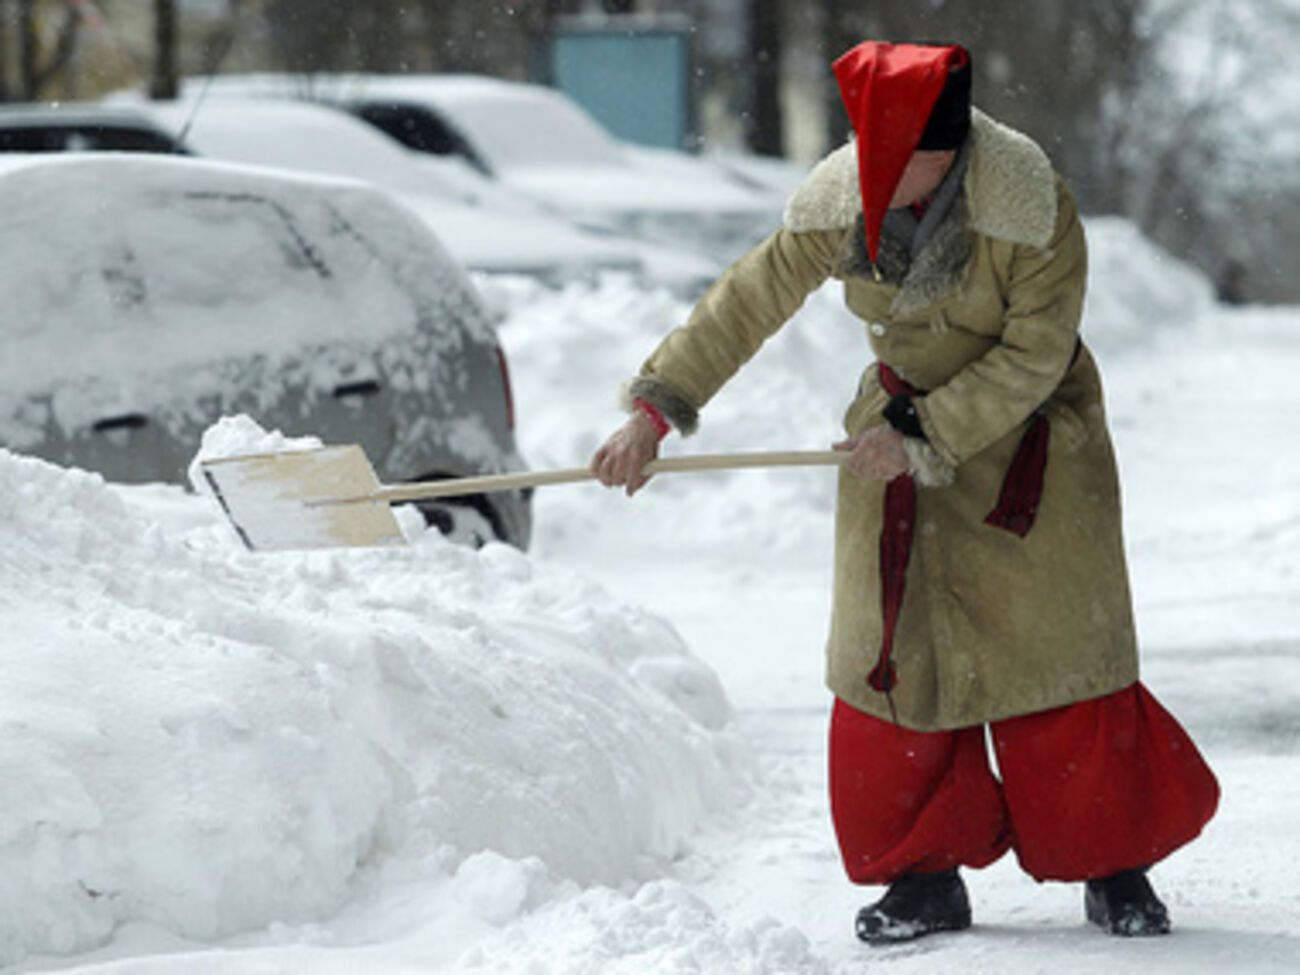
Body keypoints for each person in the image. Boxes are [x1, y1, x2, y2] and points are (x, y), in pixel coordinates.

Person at [590, 41, 1220, 944]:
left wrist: (924, 433)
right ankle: (922, 876)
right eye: (874, 160)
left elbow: (1036, 352)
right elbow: (747, 298)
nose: (884, 181)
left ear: (954, 147)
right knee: (893, 666)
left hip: (1029, 445)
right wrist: (655, 409)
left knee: (1058, 666)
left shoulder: (1030, 202)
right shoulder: (847, 192)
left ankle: (1112, 862)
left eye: (908, 163)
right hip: (895, 444)